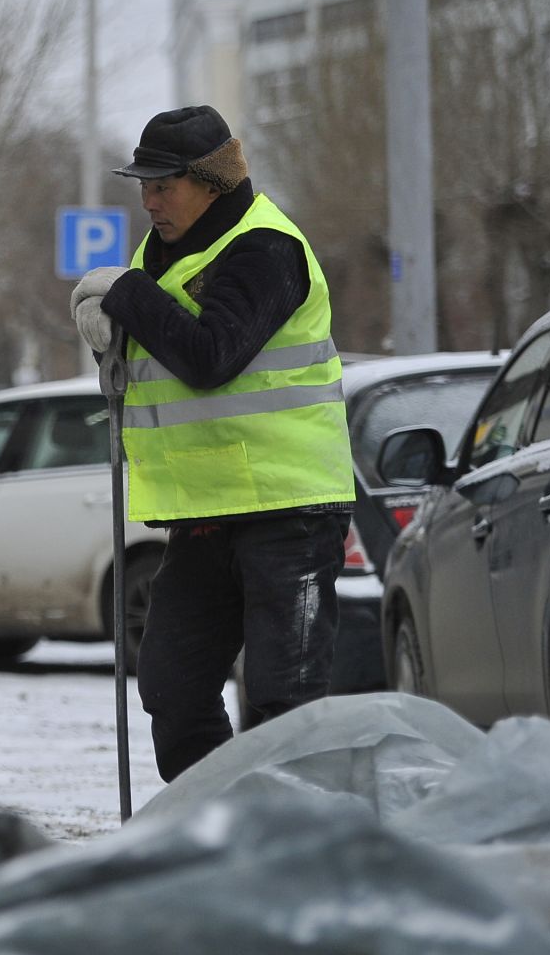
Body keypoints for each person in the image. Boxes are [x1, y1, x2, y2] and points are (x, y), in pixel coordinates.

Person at [70, 105, 352, 783]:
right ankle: (219, 824)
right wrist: (108, 333)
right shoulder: (160, 254)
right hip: (206, 514)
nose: (149, 199)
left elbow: (211, 355)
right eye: (143, 185)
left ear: (212, 181)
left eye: (164, 184)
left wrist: (130, 296)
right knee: (171, 686)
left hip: (291, 506)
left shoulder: (266, 249)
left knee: (285, 697)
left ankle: (292, 848)